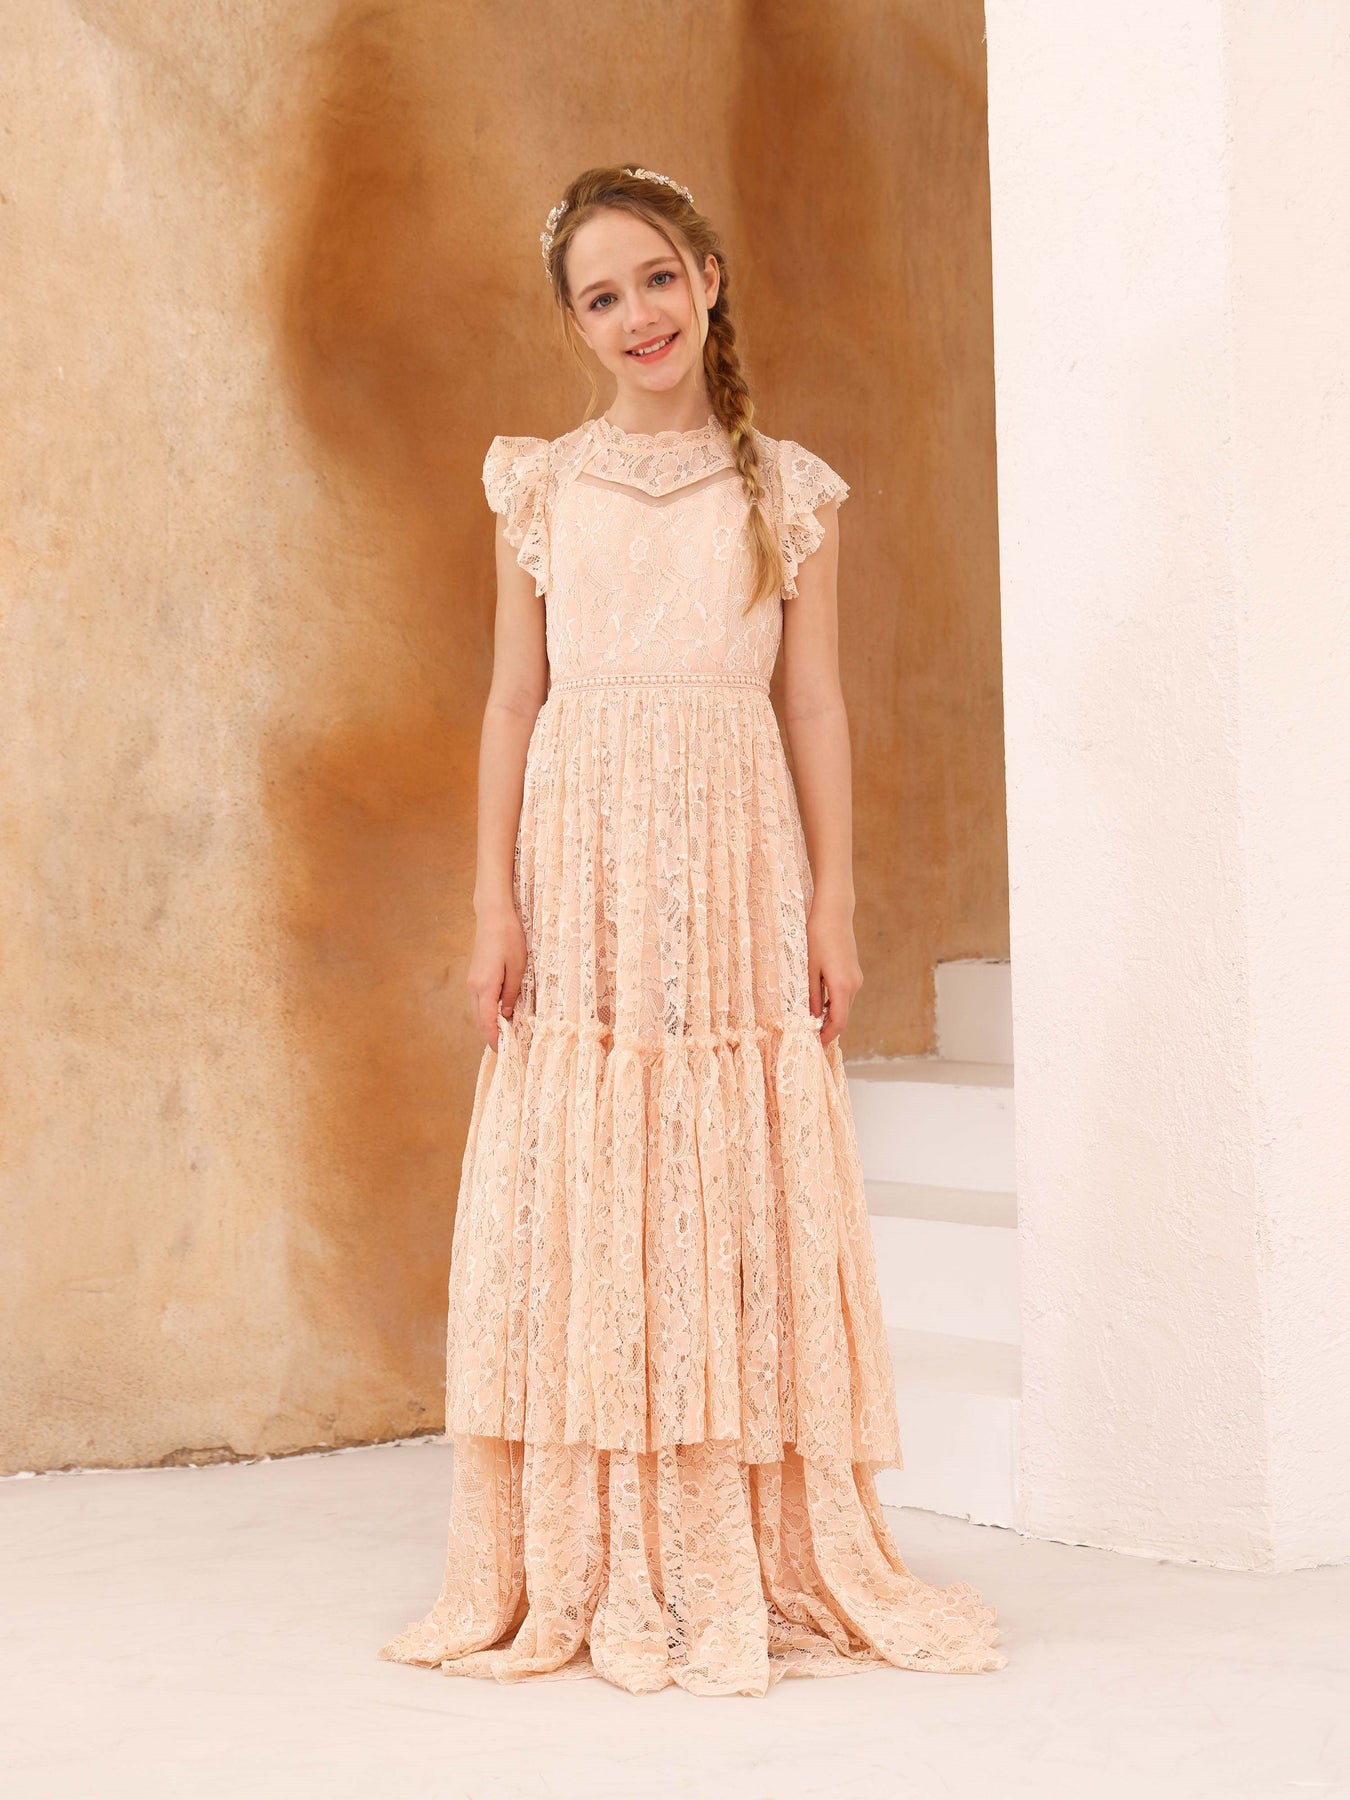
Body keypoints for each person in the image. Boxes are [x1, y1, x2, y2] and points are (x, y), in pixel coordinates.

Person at [377, 164, 1007, 1696]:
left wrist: (833, 902)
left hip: (733, 846)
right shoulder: (539, 486)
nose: (636, 315)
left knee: (722, 1151)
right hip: (580, 842)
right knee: (592, 1156)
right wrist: (491, 900)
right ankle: (590, 1538)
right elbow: (511, 699)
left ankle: (741, 1528)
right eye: (601, 296)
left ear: (708, 278)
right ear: (574, 324)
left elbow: (815, 703)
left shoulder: (784, 489)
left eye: (656, 278)